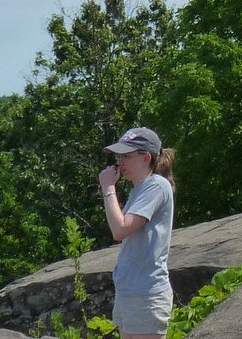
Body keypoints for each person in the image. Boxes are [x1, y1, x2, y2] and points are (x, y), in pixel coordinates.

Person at [98, 126, 175, 339]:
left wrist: (108, 188)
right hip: (130, 290)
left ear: (146, 157)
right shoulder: (139, 188)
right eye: (118, 156)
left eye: (125, 156)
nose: (119, 162)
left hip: (146, 292)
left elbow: (120, 229)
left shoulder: (156, 186)